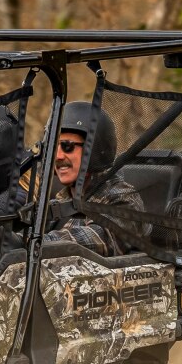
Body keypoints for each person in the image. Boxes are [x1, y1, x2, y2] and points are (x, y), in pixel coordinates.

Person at [43, 101, 146, 257]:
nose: (58, 156)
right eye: (54, 147)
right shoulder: (63, 200)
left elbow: (97, 238)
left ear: (95, 149)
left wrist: (36, 243)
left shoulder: (123, 199)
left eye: (68, 146)